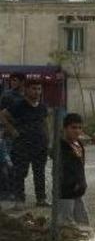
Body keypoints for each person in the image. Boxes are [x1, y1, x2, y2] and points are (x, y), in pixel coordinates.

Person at [0, 80, 50, 208]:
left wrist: (48, 140)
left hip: (40, 145)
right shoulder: (18, 105)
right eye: (34, 88)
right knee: (20, 173)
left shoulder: (42, 107)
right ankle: (20, 200)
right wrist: (13, 131)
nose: (37, 92)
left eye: (39, 89)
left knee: (39, 172)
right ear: (26, 90)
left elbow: (45, 123)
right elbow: (3, 115)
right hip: (22, 145)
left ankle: (41, 199)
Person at [58, 113, 90, 226]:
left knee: (83, 222)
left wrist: (81, 183)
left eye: (79, 128)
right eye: (73, 127)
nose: (77, 131)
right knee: (66, 224)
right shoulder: (60, 146)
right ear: (65, 128)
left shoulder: (78, 144)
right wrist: (72, 183)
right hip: (66, 192)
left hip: (78, 191)